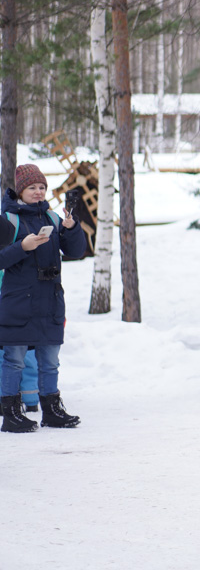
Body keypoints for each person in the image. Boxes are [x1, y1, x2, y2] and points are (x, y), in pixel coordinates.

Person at [1, 164, 87, 432]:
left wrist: (71, 228)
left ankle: (51, 410)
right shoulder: (8, 220)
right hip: (18, 302)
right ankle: (11, 414)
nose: (38, 192)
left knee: (50, 361)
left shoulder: (52, 218)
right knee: (14, 360)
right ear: (20, 191)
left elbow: (76, 252)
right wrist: (22, 247)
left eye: (41, 187)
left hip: (49, 301)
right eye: (32, 188)